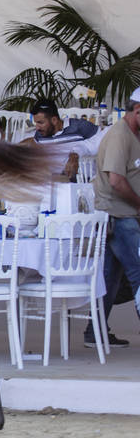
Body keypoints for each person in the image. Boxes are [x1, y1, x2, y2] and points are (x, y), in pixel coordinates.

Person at [89, 88, 140, 349]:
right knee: (138, 274)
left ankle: (93, 331)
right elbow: (117, 181)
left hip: (123, 215)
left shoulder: (134, 133)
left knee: (109, 278)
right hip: (120, 216)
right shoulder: (120, 136)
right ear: (138, 110)